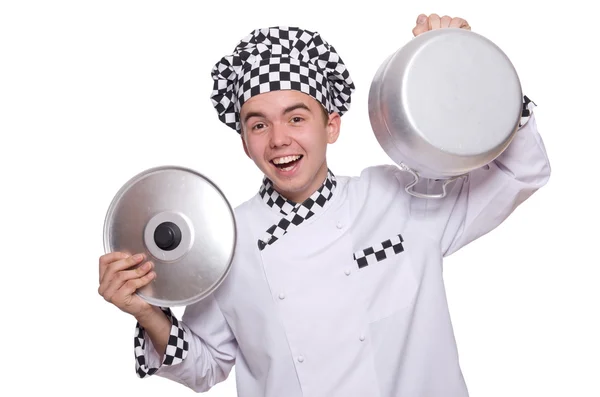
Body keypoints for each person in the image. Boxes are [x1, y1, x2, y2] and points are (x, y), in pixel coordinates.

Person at [98, 13, 551, 397]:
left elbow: (521, 171)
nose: (279, 141)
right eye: (259, 125)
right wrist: (146, 310)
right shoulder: (225, 239)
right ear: (244, 143)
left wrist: (470, 71)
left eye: (296, 118)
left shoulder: (402, 199)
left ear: (331, 125)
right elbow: (205, 366)